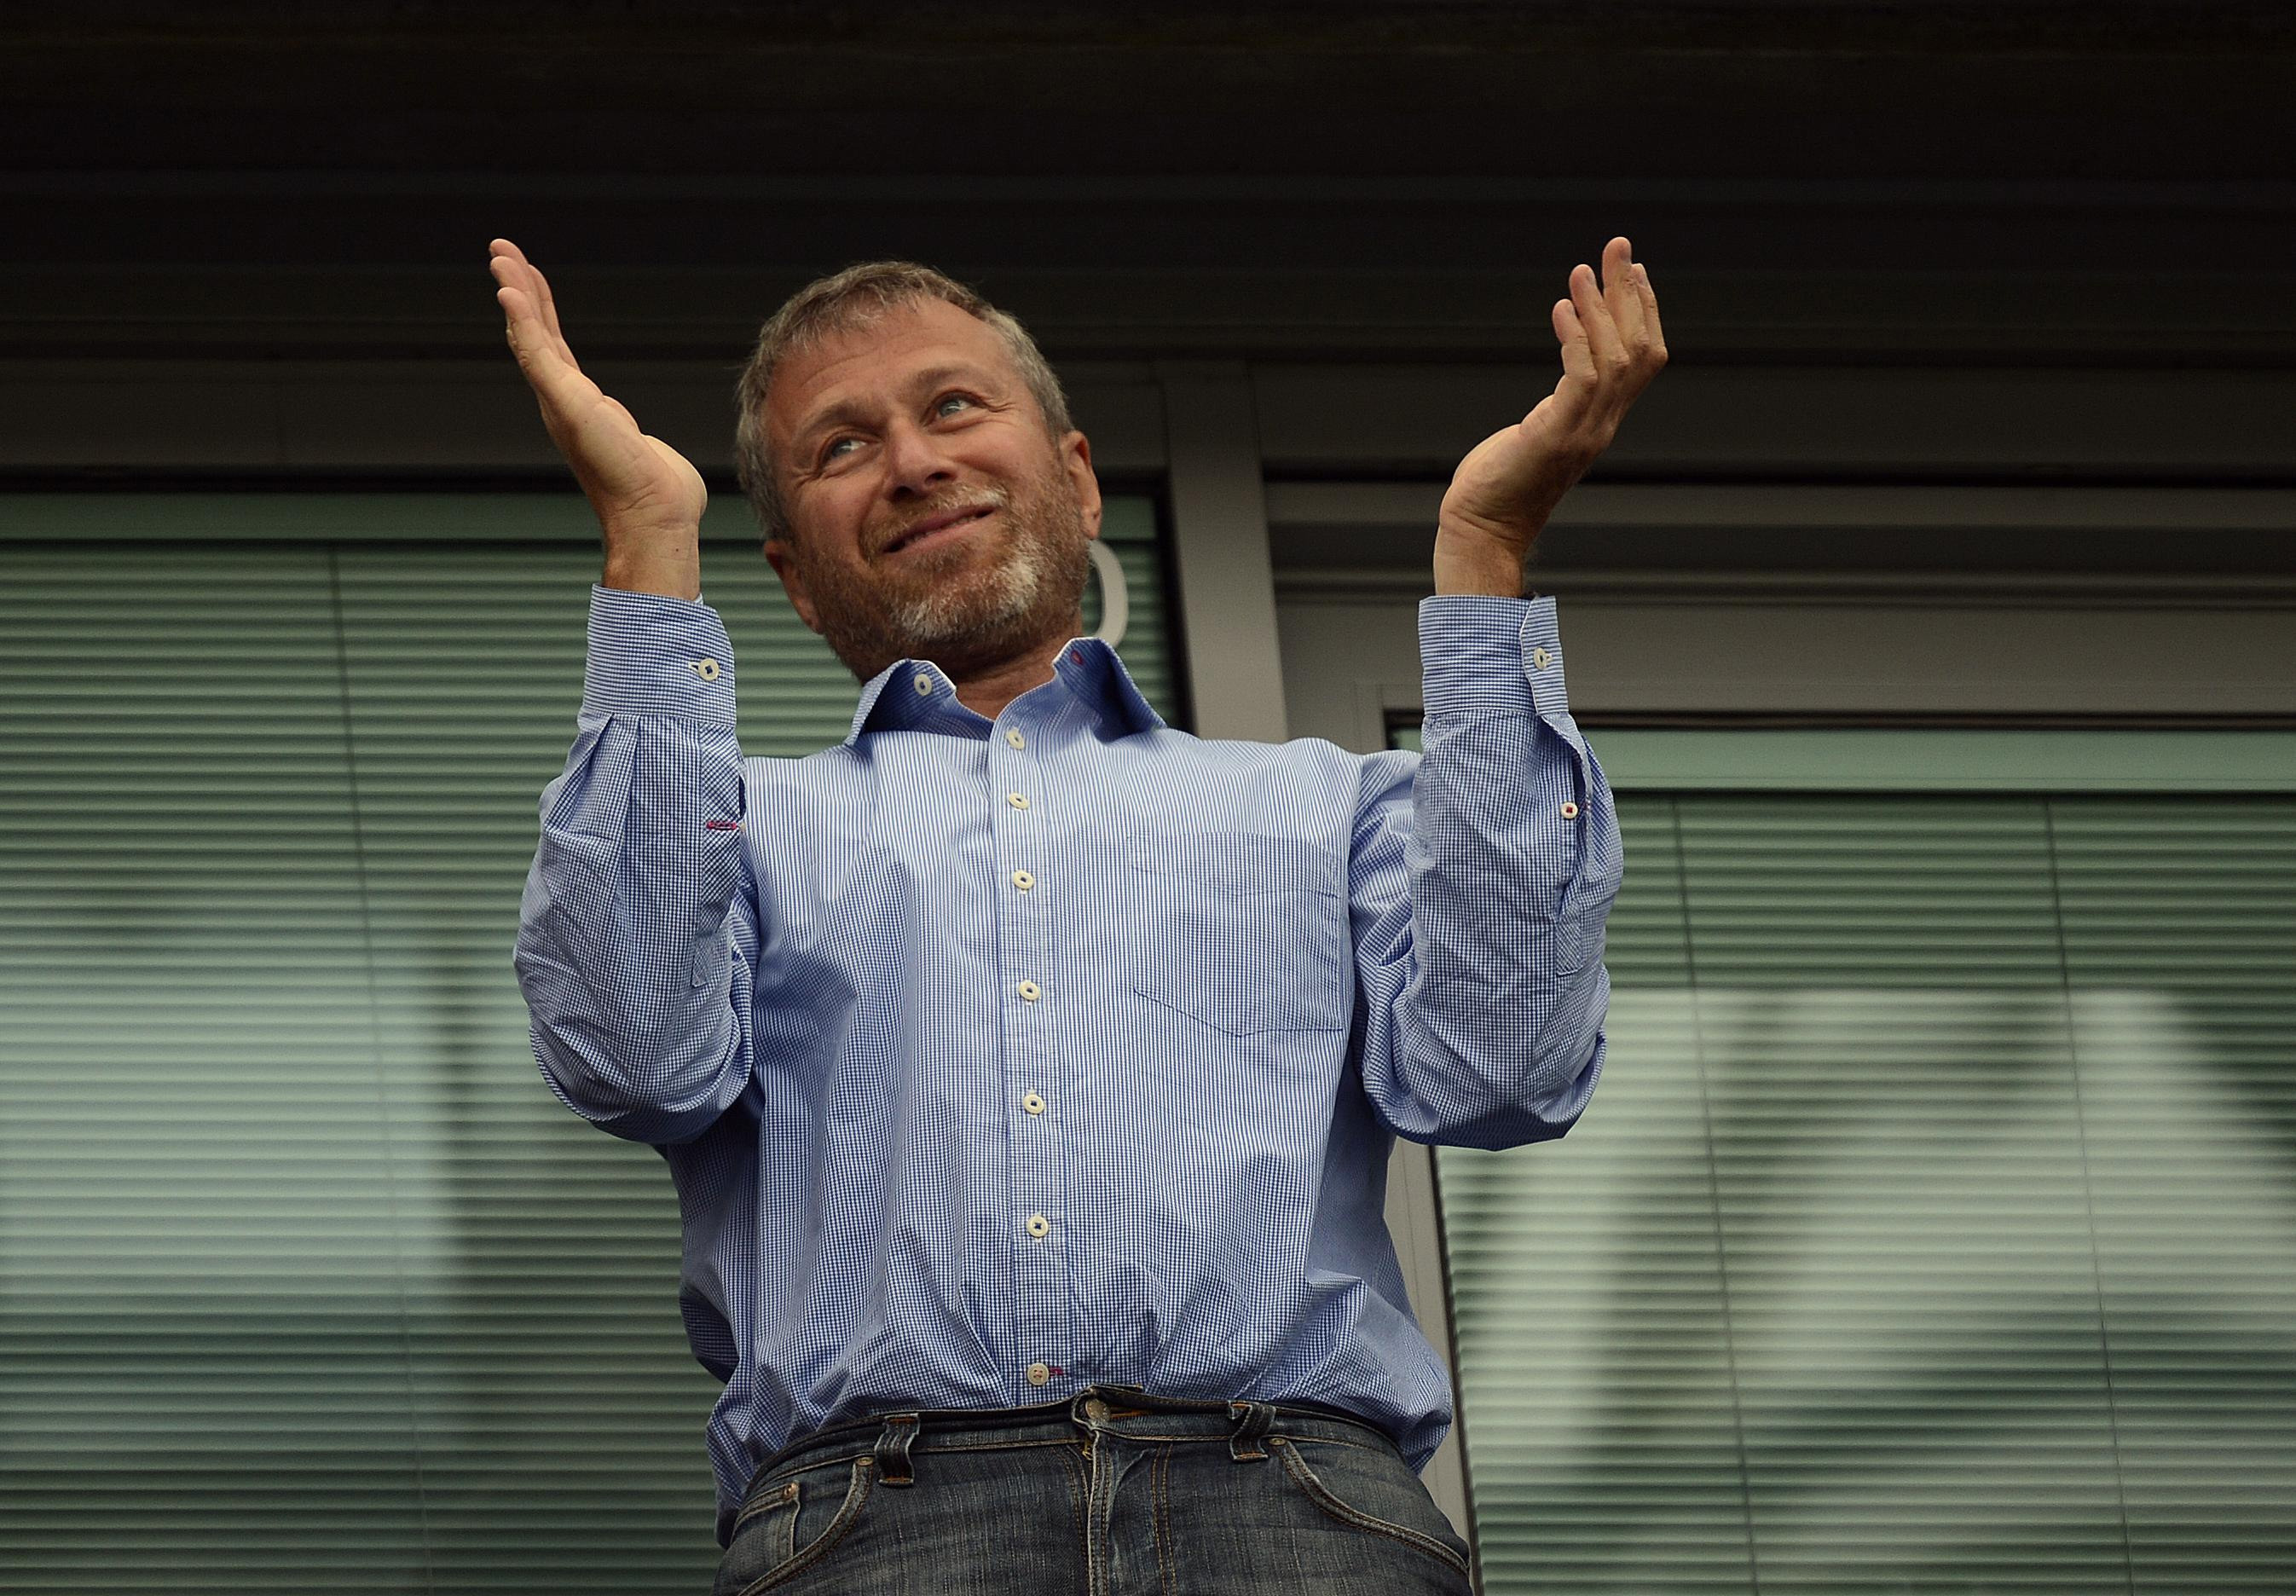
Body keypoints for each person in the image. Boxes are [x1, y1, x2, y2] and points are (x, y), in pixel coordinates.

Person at [502, 234, 1662, 1595]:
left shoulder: (1327, 803)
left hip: (1292, 1508)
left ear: (1077, 475)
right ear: (793, 576)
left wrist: (1485, 550)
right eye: (839, 447)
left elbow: (1501, 1073)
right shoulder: (735, 827)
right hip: (875, 1524)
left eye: (952, 407)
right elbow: (633, 1060)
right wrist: (647, 540)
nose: (915, 462)